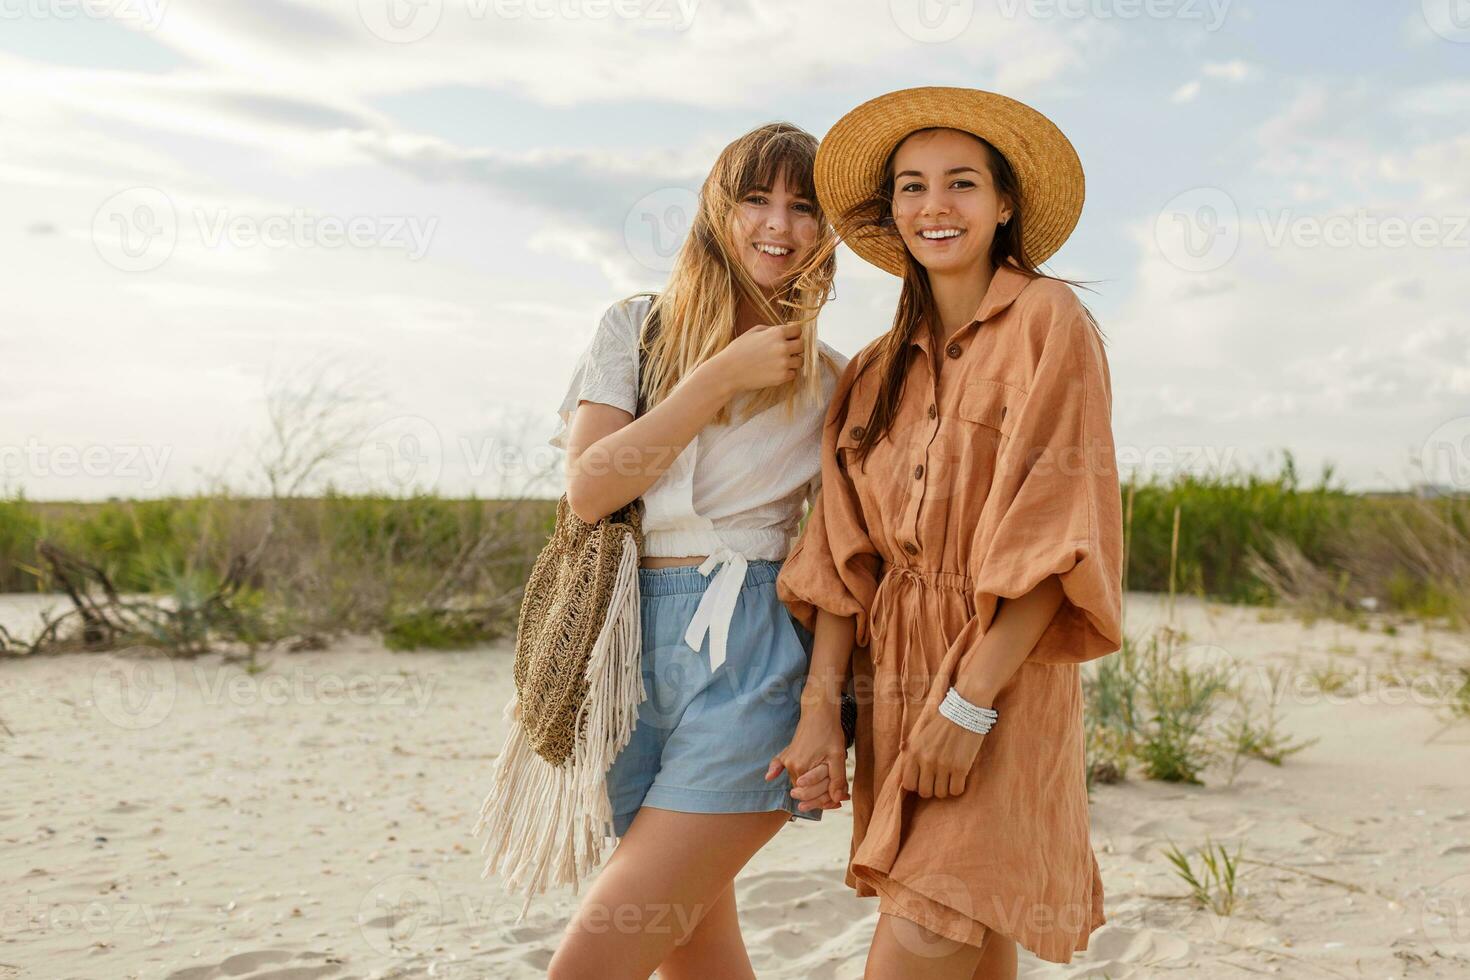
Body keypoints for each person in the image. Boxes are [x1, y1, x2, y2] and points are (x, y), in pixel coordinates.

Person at [773, 87, 1125, 978]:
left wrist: (966, 709)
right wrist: (824, 714)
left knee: (930, 924)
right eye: (913, 187)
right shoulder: (871, 371)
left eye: (962, 183)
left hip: (1001, 672)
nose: (936, 206)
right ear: (890, 212)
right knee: (973, 928)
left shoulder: (1051, 323)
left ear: (1004, 204)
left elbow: (1055, 539)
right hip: (895, 672)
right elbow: (840, 560)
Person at [544, 121, 849, 980]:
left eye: (803, 208)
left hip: (749, 652)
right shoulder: (635, 328)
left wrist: (824, 710)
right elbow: (592, 490)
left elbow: (840, 566)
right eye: (757, 199)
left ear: (830, 234)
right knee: (696, 947)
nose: (779, 227)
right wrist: (717, 375)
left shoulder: (833, 382)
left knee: (593, 962)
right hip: (624, 650)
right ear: (720, 208)